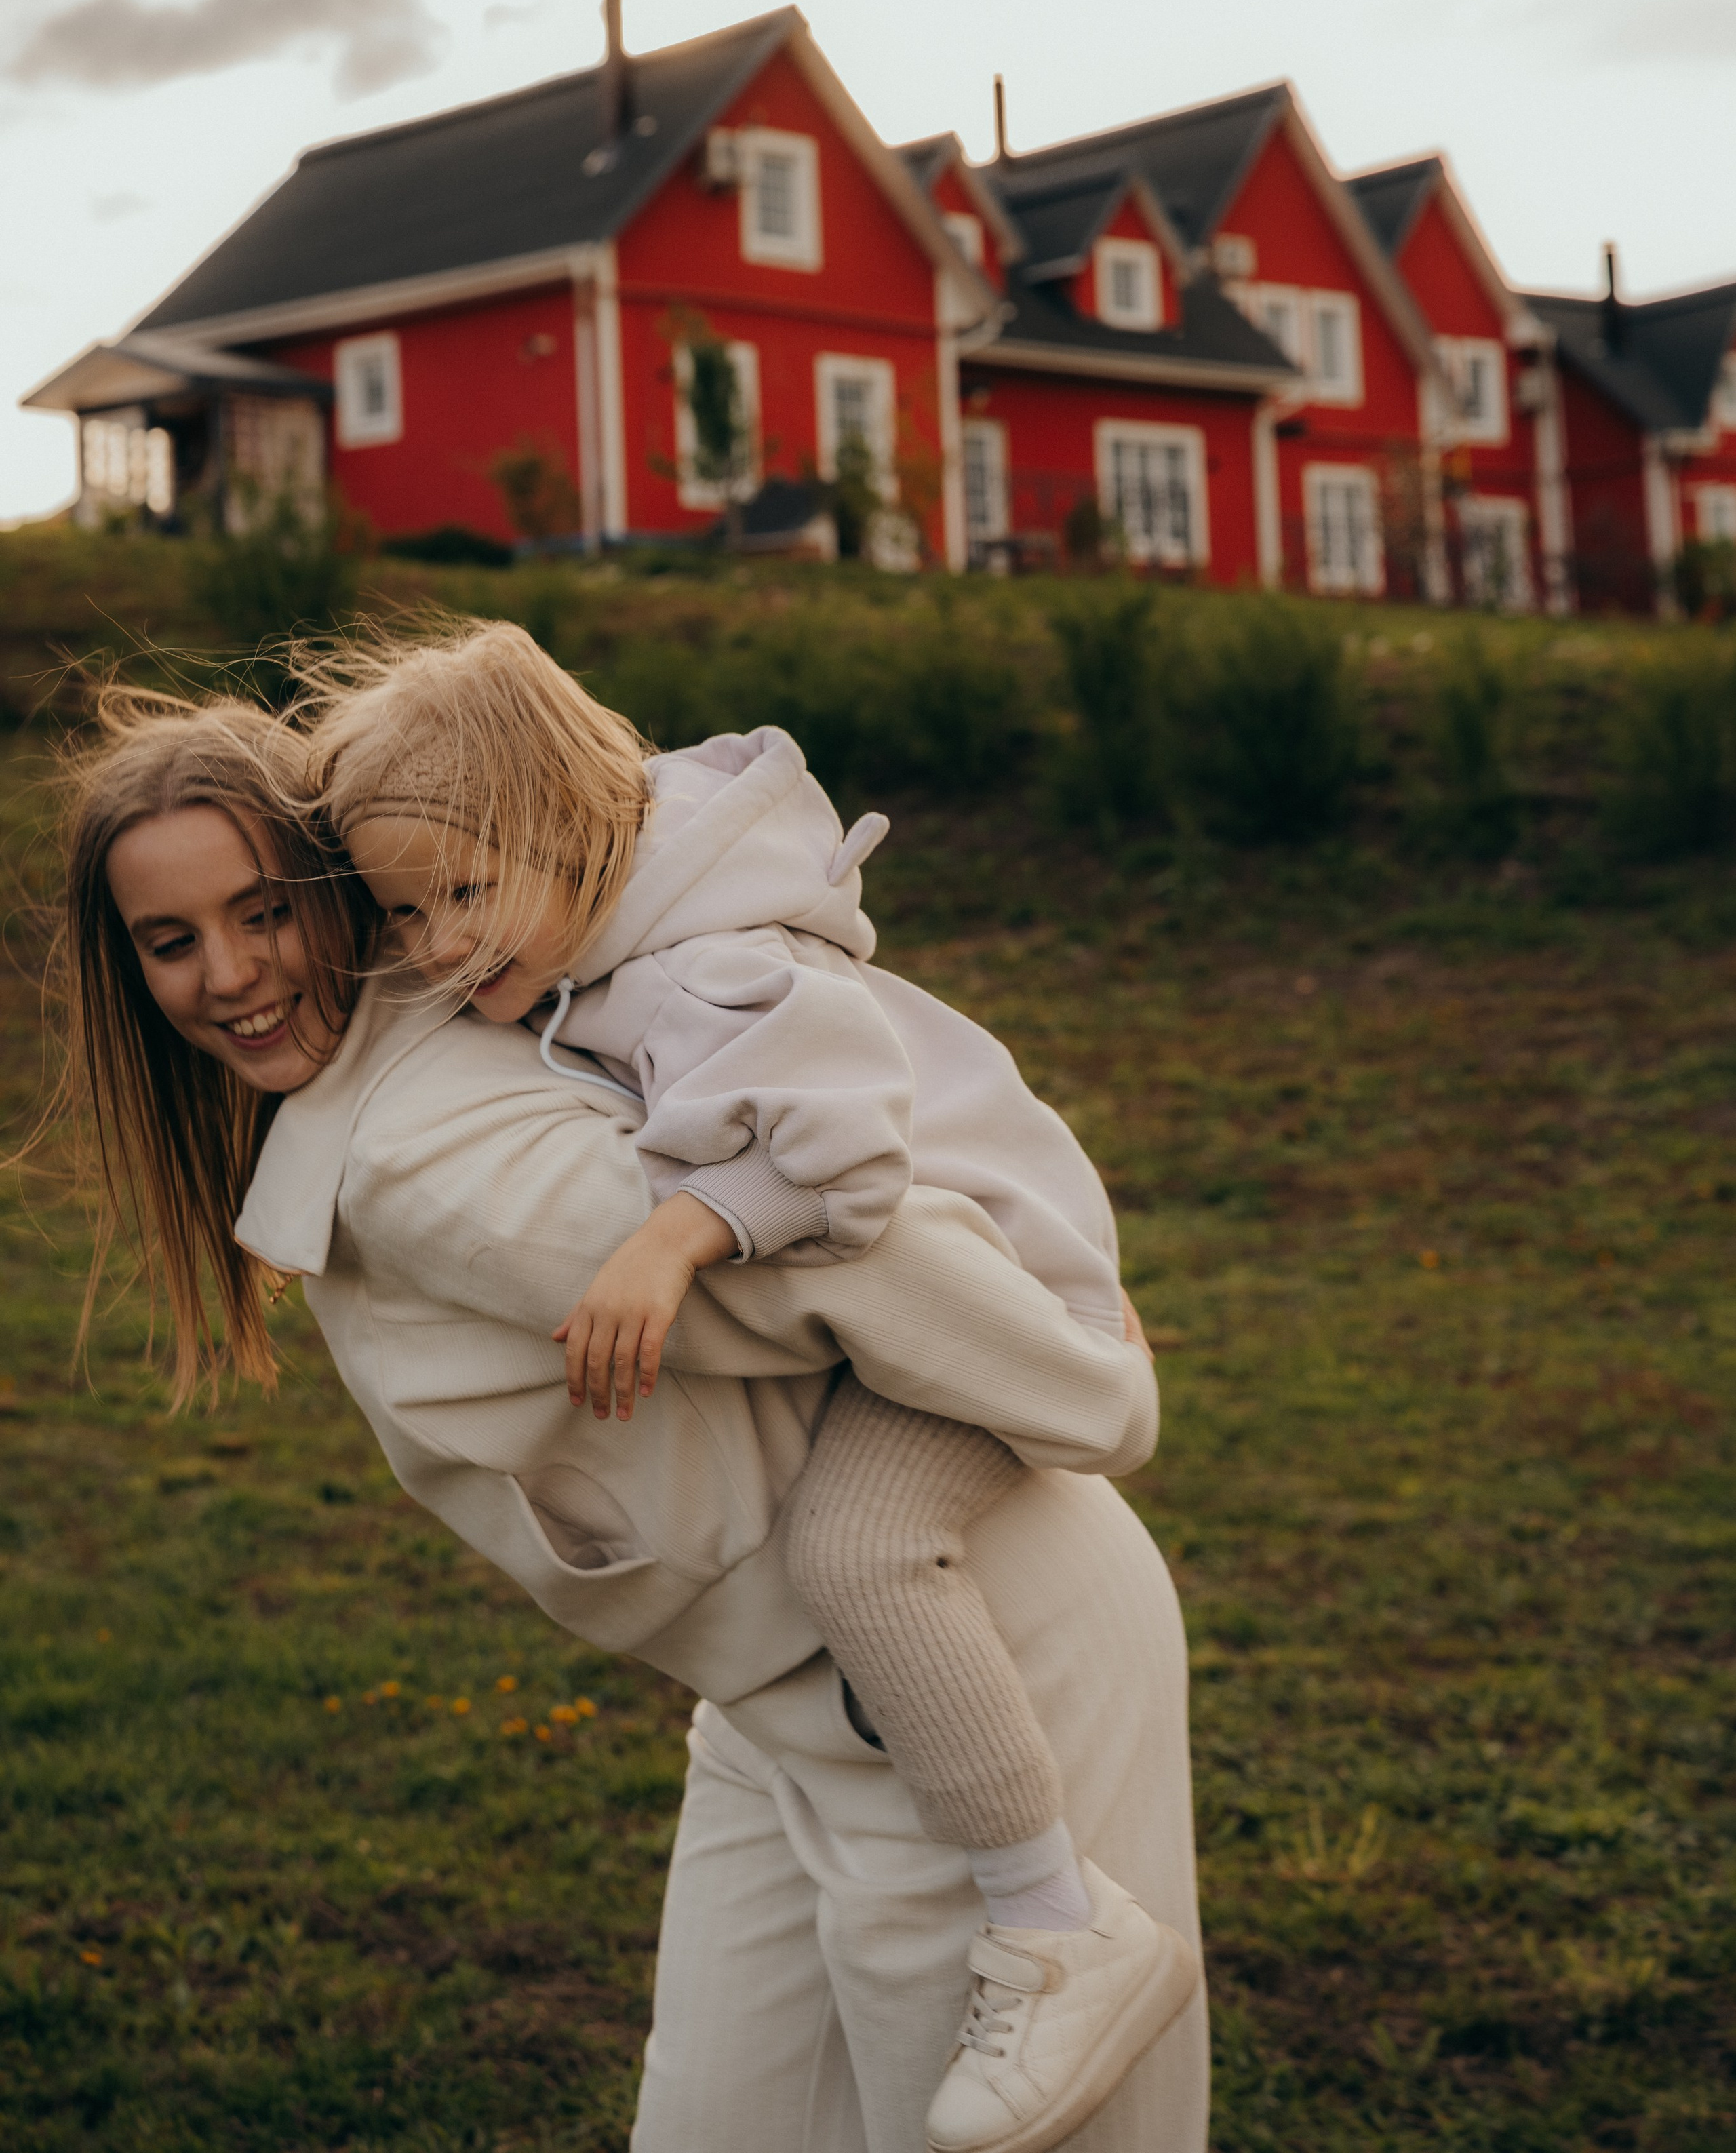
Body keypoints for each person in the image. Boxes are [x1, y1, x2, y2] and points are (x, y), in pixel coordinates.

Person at [49, 684, 1210, 2153]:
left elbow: (854, 1252)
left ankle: (1058, 1921)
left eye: (265, 912)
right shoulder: (469, 1007)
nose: (229, 974)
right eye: (170, 942)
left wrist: (1091, 1376)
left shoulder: (428, 1151)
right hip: (787, 1697)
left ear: (331, 892)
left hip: (967, 1658)